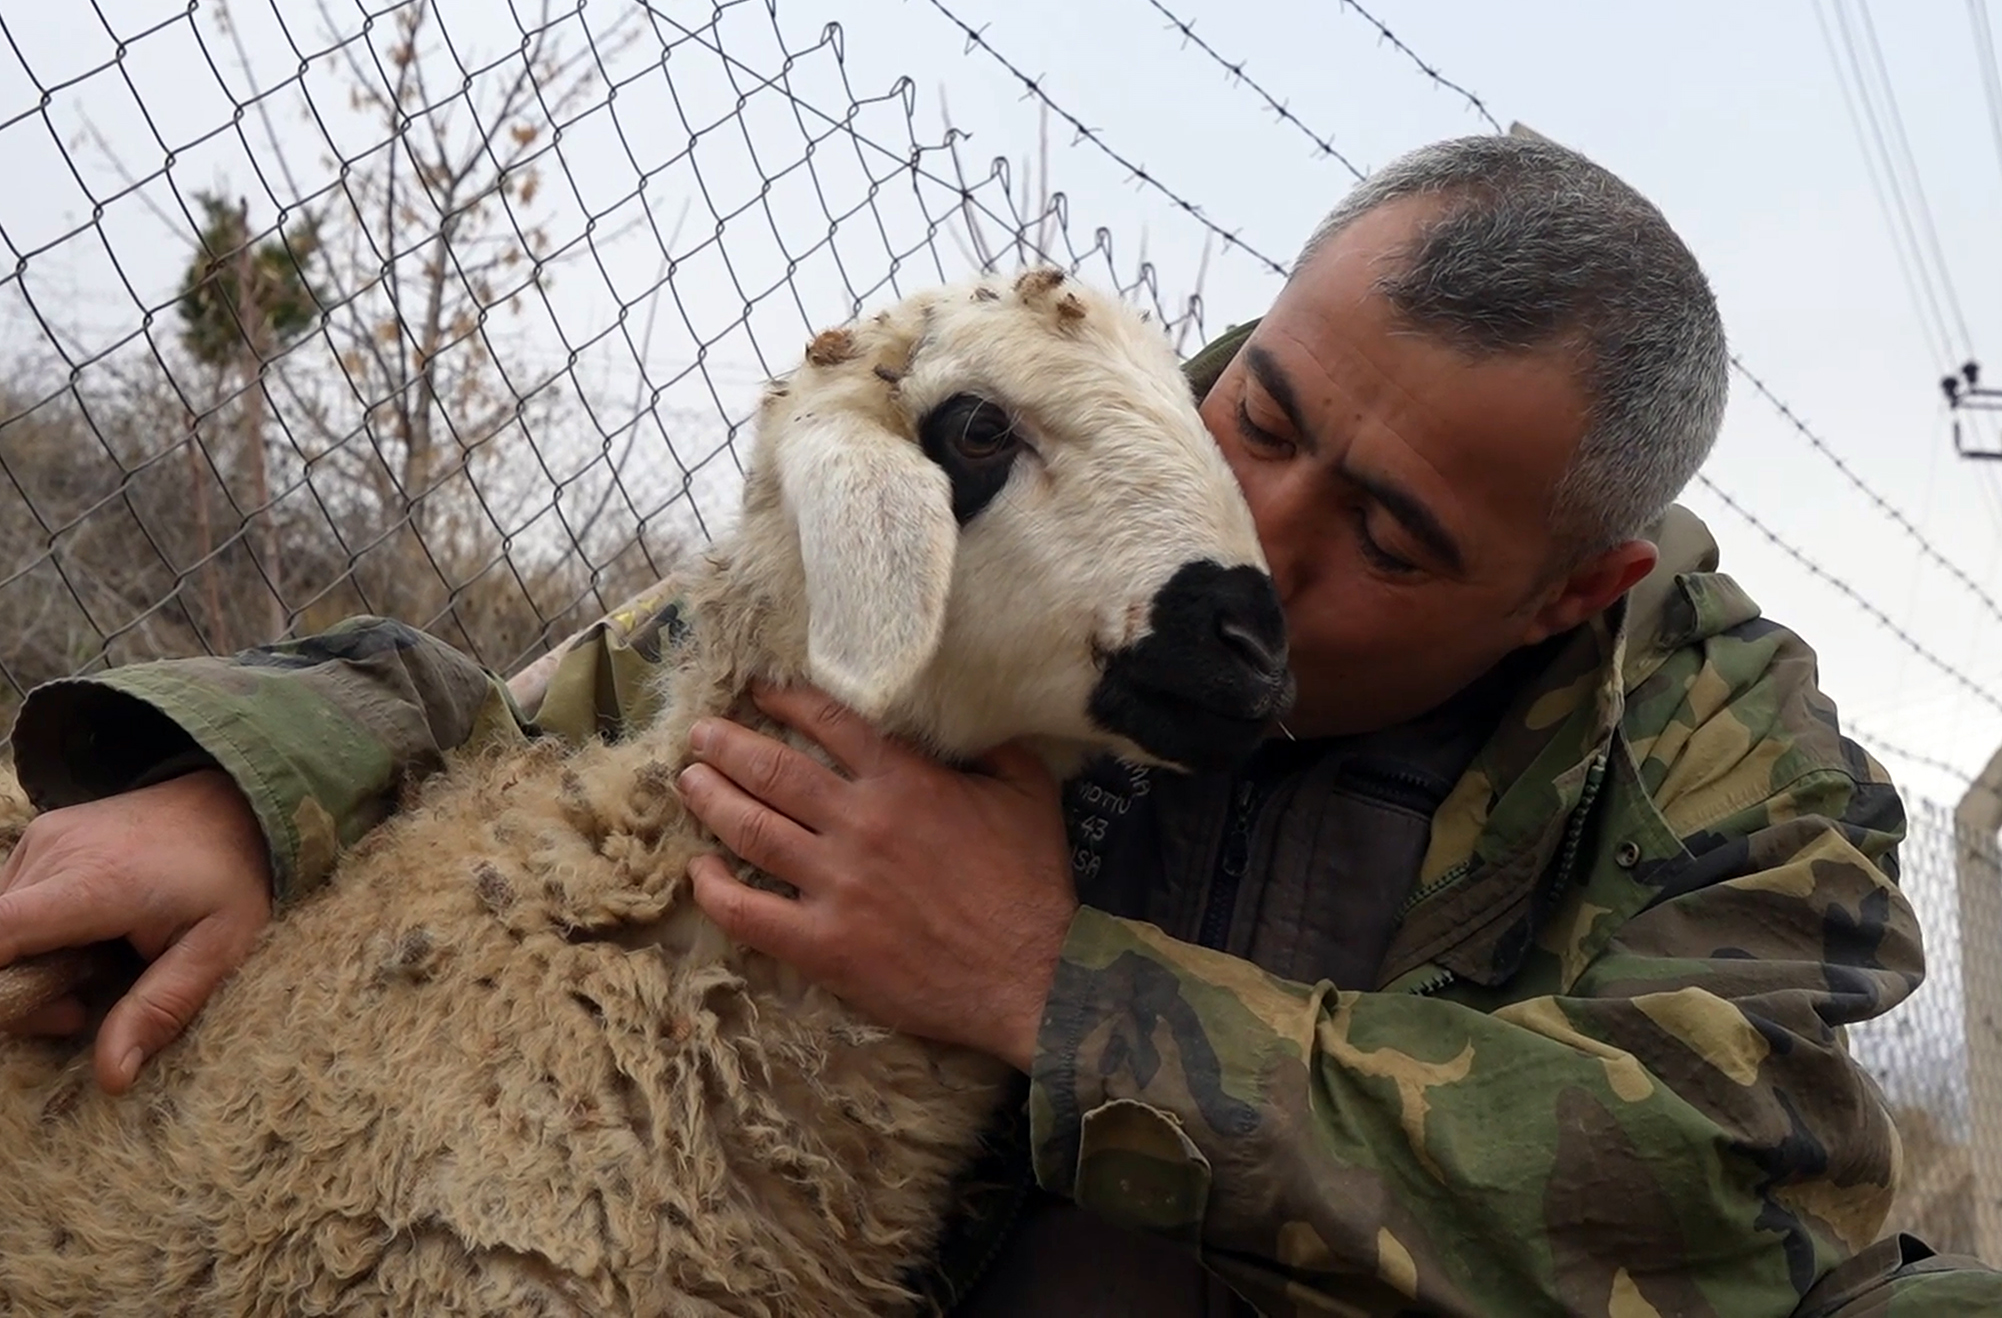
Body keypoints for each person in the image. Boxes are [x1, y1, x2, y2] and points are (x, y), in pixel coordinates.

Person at [0, 134, 1990, 1315]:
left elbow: (1724, 1167)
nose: (1269, 540)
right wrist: (249, 779)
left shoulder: (1709, 738)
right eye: (1264, 416)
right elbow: (591, 694)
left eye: (1387, 535)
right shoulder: (1043, 508)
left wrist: (1055, 991)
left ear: (1572, 589)